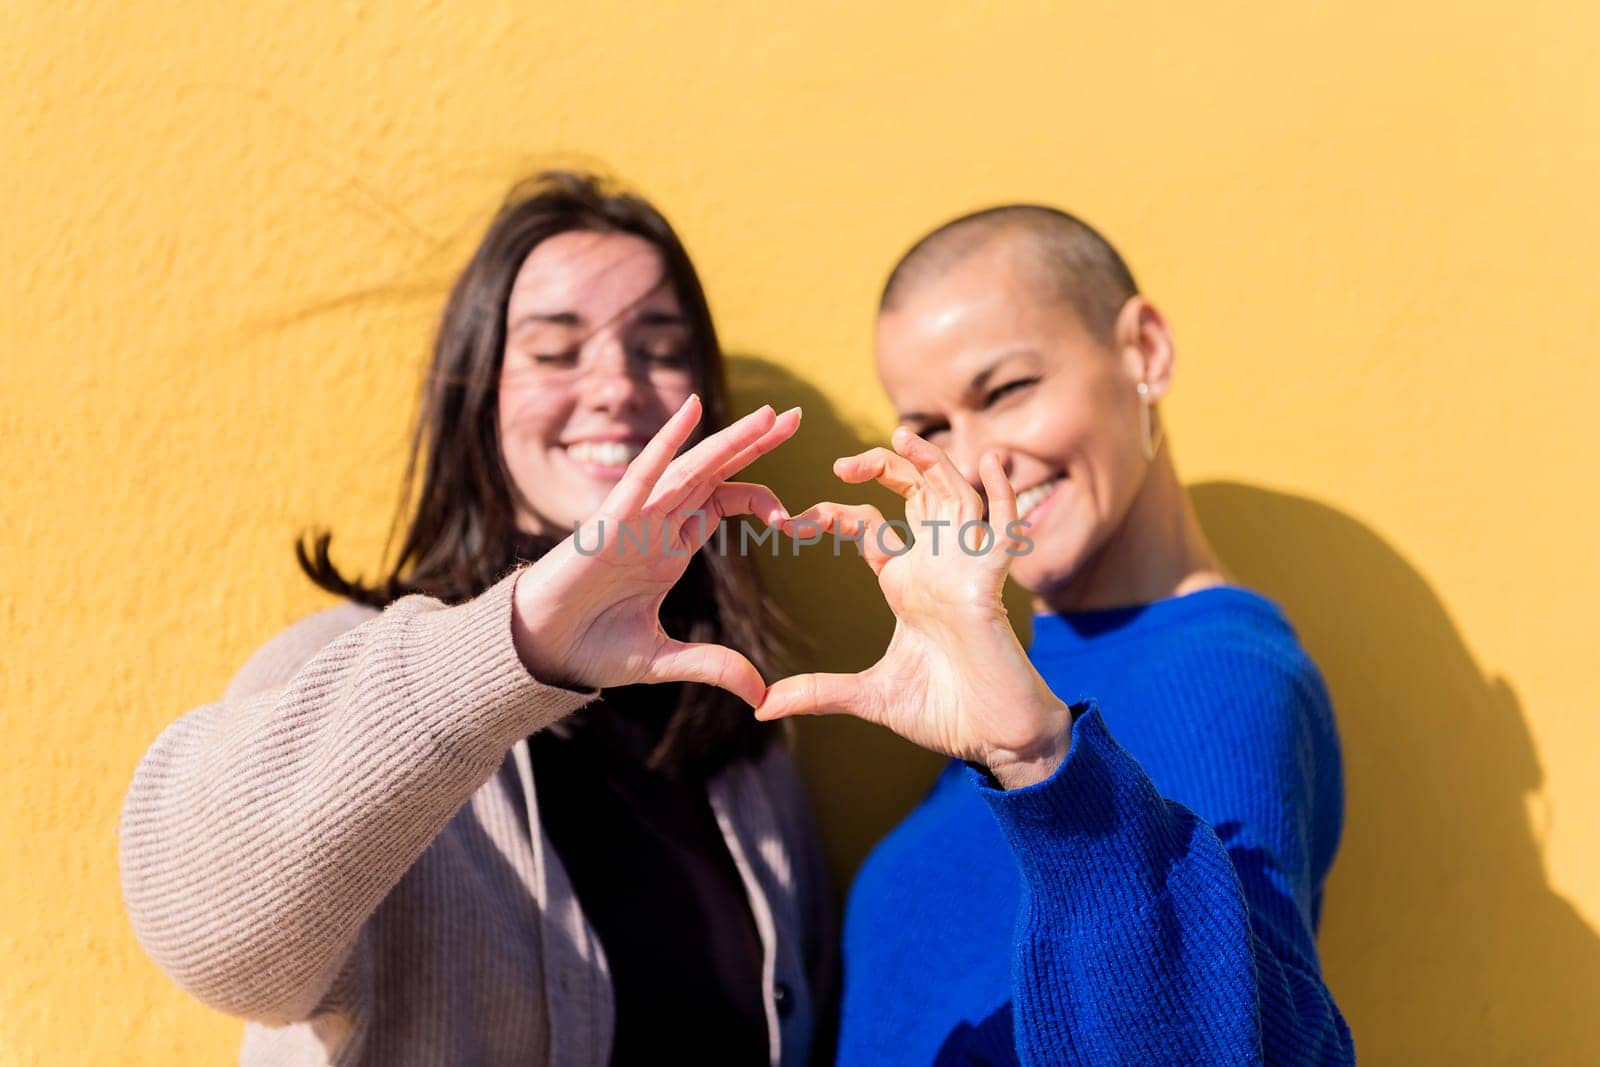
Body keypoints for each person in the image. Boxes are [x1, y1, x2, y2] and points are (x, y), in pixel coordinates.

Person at [118, 171, 834, 1066]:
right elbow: (213, 934)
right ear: (478, 395)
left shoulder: (740, 745)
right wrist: (517, 645)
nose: (615, 385)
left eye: (658, 347)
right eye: (554, 348)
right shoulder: (340, 658)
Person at [760, 206, 1354, 1064]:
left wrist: (1044, 763)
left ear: (1144, 351)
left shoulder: (1219, 673)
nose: (975, 461)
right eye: (928, 425)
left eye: (1005, 391)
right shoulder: (1021, 669)